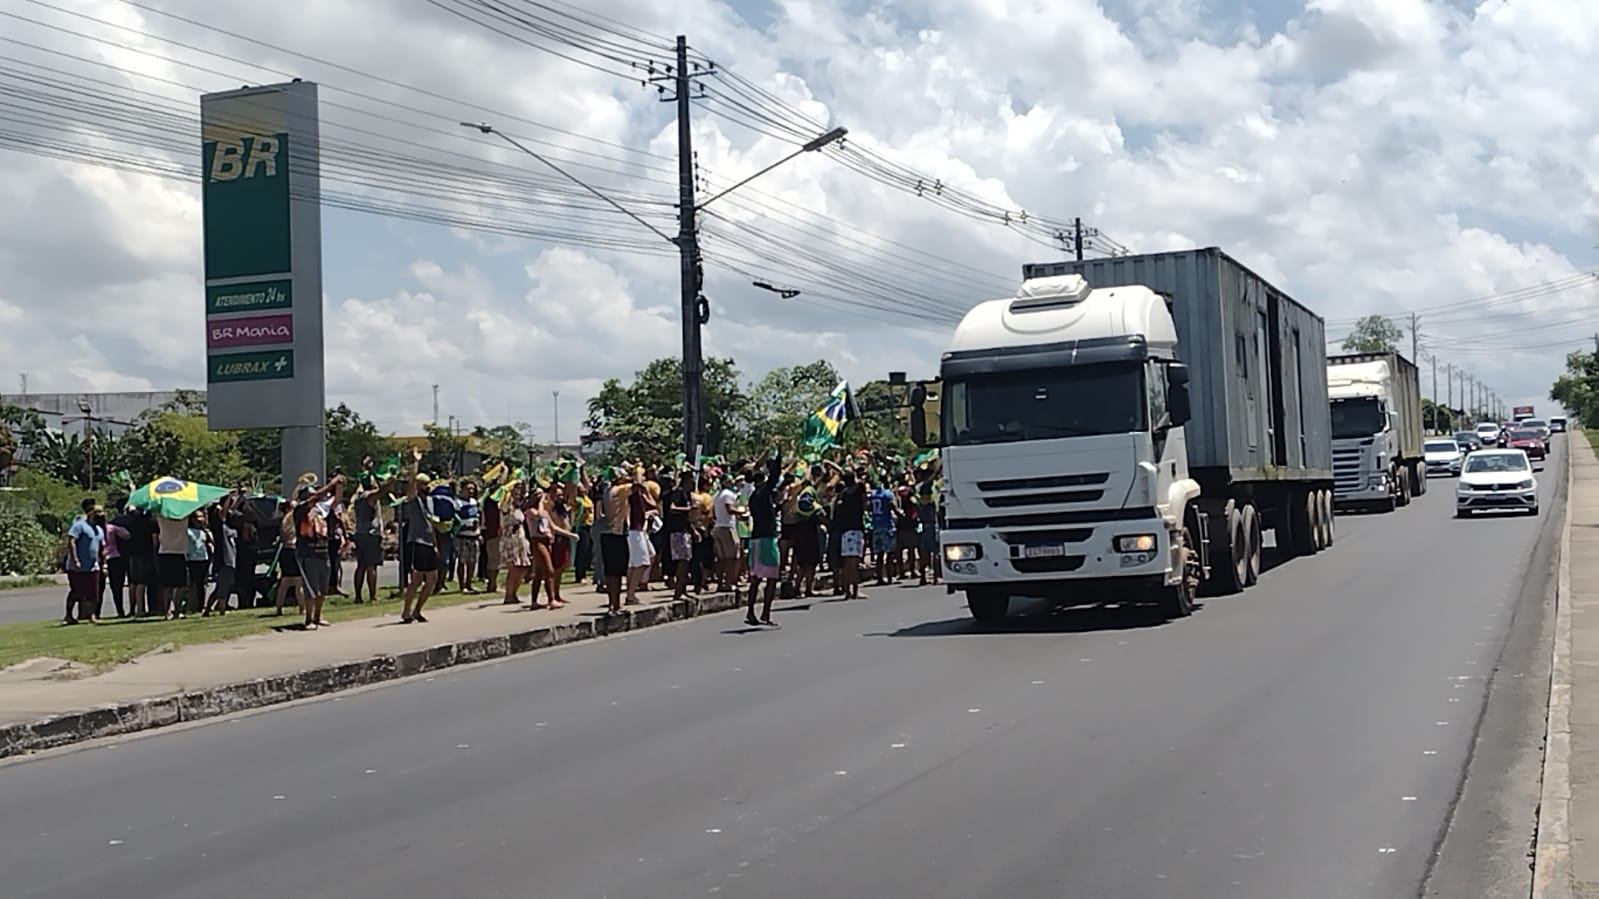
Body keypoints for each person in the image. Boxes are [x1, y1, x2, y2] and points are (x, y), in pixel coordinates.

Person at [293, 475, 343, 630]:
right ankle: (308, 620)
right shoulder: (300, 510)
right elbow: (318, 496)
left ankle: (318, 616)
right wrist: (332, 483)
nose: (312, 497)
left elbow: (336, 500)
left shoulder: (321, 509)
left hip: (323, 552)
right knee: (310, 590)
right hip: (307, 553)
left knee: (323, 589)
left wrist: (339, 485)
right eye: (309, 495)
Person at [399, 450, 440, 623]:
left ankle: (418, 610)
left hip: (429, 543)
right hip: (417, 542)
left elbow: (431, 523)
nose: (426, 487)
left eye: (427, 484)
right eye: (423, 484)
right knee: (416, 579)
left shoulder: (430, 501)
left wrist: (435, 544)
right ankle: (406, 611)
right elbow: (410, 484)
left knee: (432, 579)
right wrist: (415, 463)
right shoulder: (414, 500)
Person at [745, 453, 785, 627]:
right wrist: (779, 455)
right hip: (766, 540)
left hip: (755, 540)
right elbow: (775, 476)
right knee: (772, 578)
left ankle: (751, 611)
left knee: (755, 579)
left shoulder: (754, 496)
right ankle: (766, 613)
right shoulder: (763, 492)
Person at [62, 498, 103, 625]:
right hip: (77, 566)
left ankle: (91, 615)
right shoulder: (79, 526)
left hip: (93, 566)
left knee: (93, 592)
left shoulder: (98, 529)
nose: (100, 517)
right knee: (77, 591)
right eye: (97, 514)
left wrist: (104, 563)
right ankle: (69, 615)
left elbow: (102, 547)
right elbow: (71, 541)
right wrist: (75, 559)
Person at [601, 467, 634, 615]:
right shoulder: (621, 490)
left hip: (609, 533)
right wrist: (636, 468)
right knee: (617, 572)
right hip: (616, 533)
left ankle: (614, 604)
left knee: (612, 572)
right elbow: (639, 483)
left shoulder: (607, 490)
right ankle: (615, 604)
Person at [351, 474, 385, 604]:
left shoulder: (358, 496)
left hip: (360, 533)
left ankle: (358, 596)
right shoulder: (369, 496)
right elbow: (382, 491)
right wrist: (390, 479)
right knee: (372, 566)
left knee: (361, 566)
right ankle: (372, 596)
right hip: (370, 534)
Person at [833, 470, 866, 599]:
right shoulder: (859, 489)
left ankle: (847, 591)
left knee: (846, 563)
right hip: (857, 528)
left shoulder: (843, 494)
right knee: (855, 563)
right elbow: (864, 502)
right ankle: (855, 590)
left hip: (845, 530)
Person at [664, 469, 695, 601]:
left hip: (684, 530)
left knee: (686, 560)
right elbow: (672, 508)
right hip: (677, 532)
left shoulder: (687, 494)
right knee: (682, 561)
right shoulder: (679, 492)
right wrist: (688, 509)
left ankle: (682, 589)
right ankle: (678, 592)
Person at [499, 483, 532, 604]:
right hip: (510, 538)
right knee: (513, 568)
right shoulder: (506, 506)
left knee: (523, 568)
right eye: (515, 490)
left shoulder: (519, 508)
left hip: (521, 538)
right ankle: (508, 595)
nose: (518, 492)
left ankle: (514, 593)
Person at [155, 508, 191, 619]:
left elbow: (157, 511)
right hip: (179, 552)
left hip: (164, 552)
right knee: (181, 585)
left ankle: (167, 612)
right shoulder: (183, 518)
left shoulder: (162, 518)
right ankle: (177, 611)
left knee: (167, 586)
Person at [273, 498, 305, 616]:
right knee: (298, 582)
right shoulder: (289, 519)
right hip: (292, 550)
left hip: (285, 551)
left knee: (285, 582)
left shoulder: (283, 519)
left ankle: (279, 609)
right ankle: (302, 609)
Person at [712, 476, 742, 593]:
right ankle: (729, 583)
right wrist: (742, 511)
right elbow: (730, 509)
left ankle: (720, 583)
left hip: (718, 526)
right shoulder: (728, 494)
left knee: (722, 558)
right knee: (732, 557)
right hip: (727, 527)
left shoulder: (716, 495)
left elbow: (714, 513)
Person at [455, 480, 482, 593]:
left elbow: (477, 517)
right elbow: (455, 520)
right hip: (462, 536)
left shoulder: (474, 502)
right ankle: (462, 586)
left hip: (474, 535)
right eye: (468, 489)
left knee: (472, 562)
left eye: (472, 489)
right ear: (462, 489)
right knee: (462, 561)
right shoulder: (458, 502)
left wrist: (479, 532)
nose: (471, 491)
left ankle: (469, 583)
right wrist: (463, 526)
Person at [184, 511, 213, 616]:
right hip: (192, 560)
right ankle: (191, 605)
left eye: (202, 517)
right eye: (198, 517)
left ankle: (201, 605)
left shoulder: (204, 532)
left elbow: (211, 543)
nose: (200, 519)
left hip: (204, 559)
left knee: (202, 584)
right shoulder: (188, 532)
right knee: (192, 584)